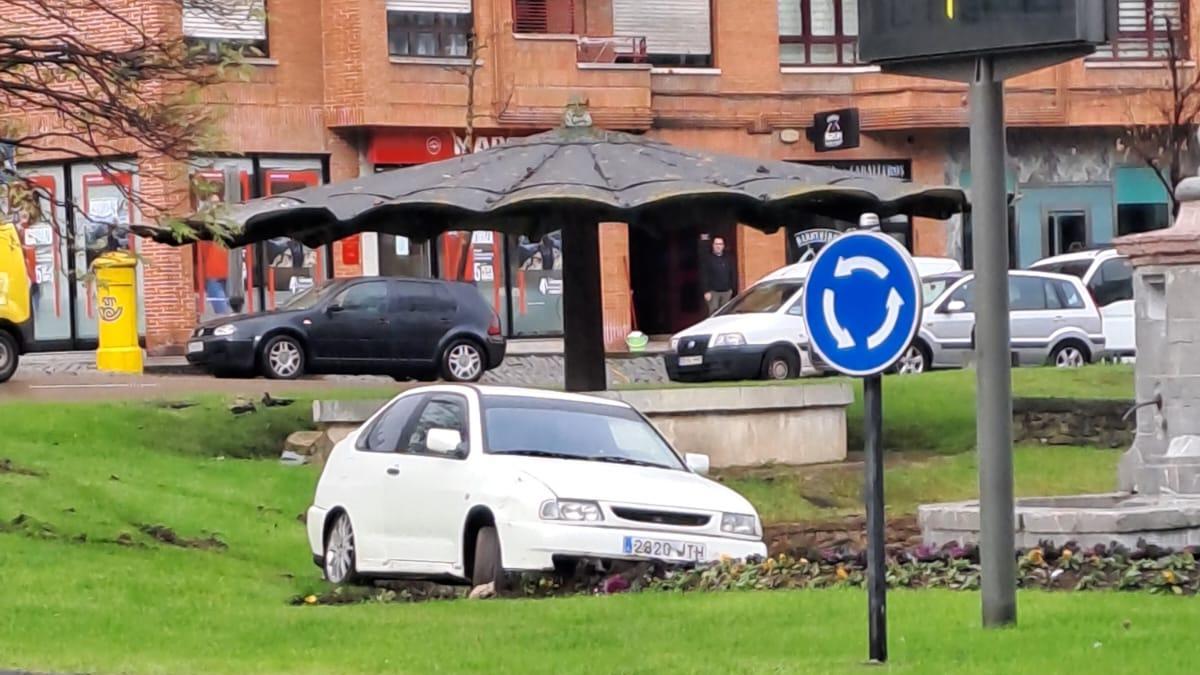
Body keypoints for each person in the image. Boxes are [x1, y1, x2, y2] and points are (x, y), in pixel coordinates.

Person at [701, 236, 735, 315]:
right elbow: (704, 275)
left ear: (723, 246)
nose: (718, 246)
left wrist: (732, 289)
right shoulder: (708, 259)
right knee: (714, 314)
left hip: (726, 292)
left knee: (725, 314)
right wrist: (706, 291)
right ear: (713, 245)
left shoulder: (728, 258)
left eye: (720, 244)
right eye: (716, 244)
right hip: (713, 293)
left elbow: (732, 273)